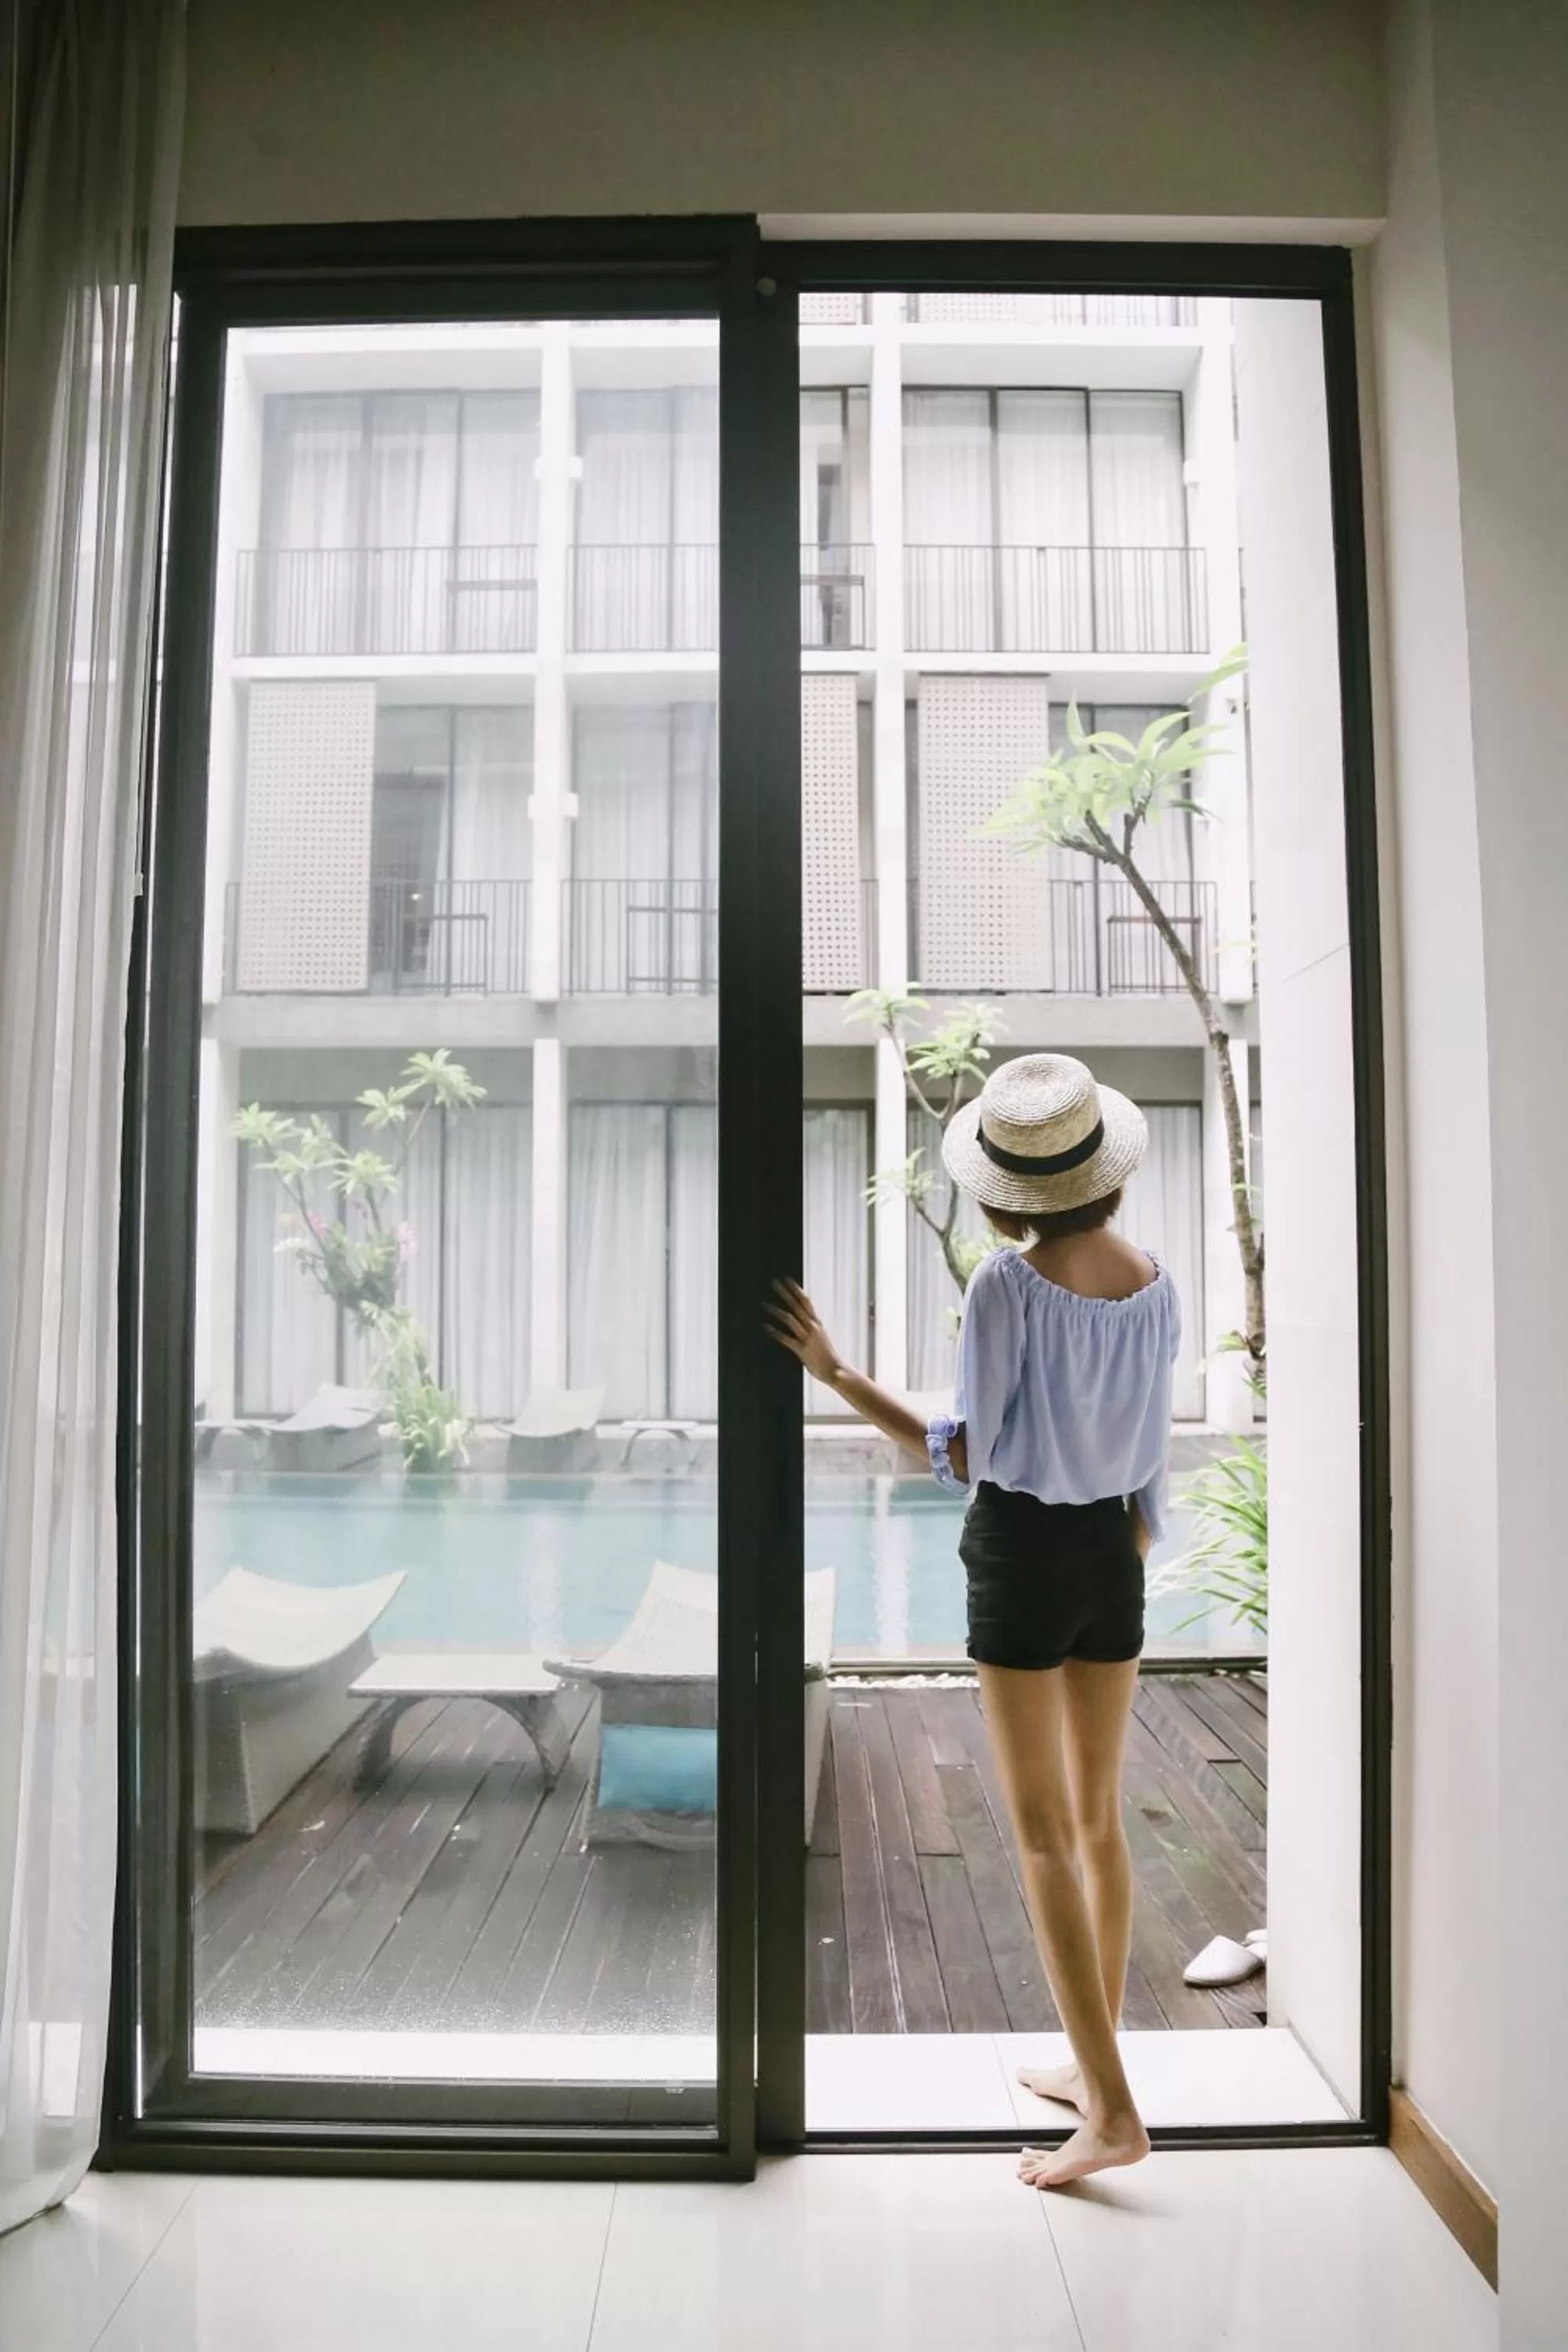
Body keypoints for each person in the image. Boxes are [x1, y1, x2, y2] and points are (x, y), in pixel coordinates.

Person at [768, 1051, 1179, 2190]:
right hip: (1115, 1548)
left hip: (1024, 1556)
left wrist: (841, 1378)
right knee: (1096, 1823)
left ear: (1008, 1194)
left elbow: (979, 1454)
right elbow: (1150, 1449)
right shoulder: (1158, 1279)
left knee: (1042, 1833)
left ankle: (1112, 2113)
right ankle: (1089, 2066)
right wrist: (1130, 1537)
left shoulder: (1010, 1288)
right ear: (1106, 1173)